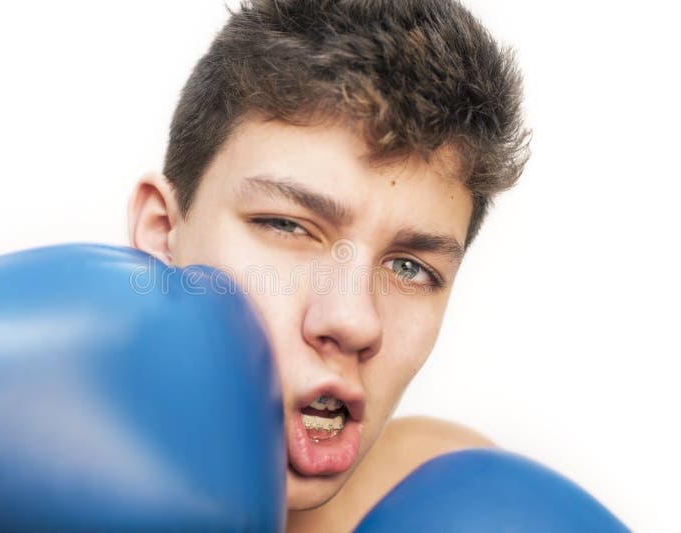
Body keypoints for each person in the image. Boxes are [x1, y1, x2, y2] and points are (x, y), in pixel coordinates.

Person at [127, 0, 530, 530]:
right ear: (161, 233)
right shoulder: (12, 452)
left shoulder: (454, 491)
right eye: (288, 226)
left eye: (410, 268)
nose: (355, 321)